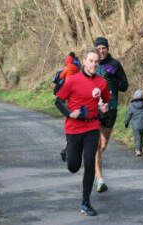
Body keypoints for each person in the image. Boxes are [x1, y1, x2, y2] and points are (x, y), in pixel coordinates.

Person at [55, 47, 110, 216]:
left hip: (92, 127)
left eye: (96, 62)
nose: (94, 64)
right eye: (91, 61)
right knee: (73, 167)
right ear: (84, 61)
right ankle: (68, 151)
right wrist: (70, 113)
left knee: (89, 164)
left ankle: (86, 202)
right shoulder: (72, 80)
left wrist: (103, 109)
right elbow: (58, 101)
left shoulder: (102, 82)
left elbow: (105, 102)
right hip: (73, 128)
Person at [94, 37, 128, 192]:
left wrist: (113, 75)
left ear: (108, 49)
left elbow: (124, 86)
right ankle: (100, 180)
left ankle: (96, 159)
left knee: (103, 144)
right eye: (99, 48)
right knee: (95, 146)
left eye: (104, 48)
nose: (101, 51)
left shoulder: (115, 64)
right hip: (94, 108)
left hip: (111, 108)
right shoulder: (91, 64)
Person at [59, 52, 81, 162]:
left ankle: (70, 115)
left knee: (69, 108)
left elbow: (61, 76)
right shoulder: (76, 67)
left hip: (67, 89)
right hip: (76, 89)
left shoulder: (67, 67)